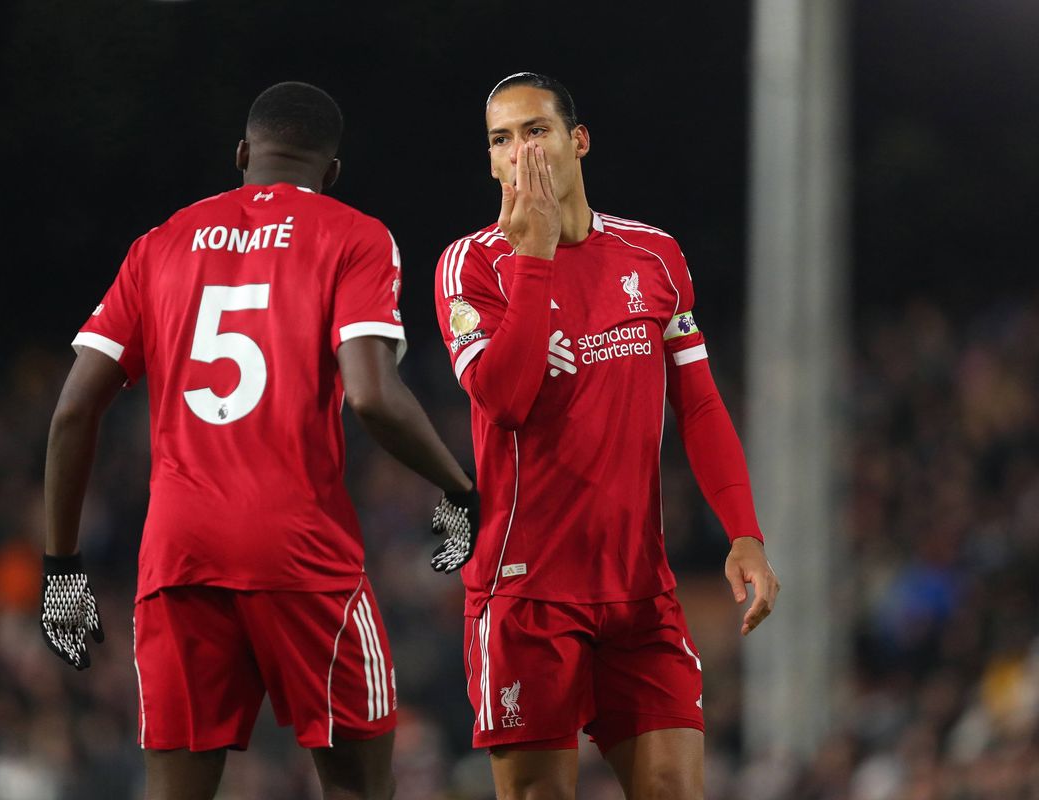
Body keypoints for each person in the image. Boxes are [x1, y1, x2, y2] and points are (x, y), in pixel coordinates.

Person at [40, 81, 478, 800]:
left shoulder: (160, 243)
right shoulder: (352, 234)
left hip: (179, 555)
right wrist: (461, 486)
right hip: (300, 549)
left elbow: (71, 413)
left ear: (243, 154)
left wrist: (62, 567)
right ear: (330, 173)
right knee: (361, 786)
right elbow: (371, 396)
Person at [431, 72, 781, 799]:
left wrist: (744, 532)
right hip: (527, 595)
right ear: (490, 163)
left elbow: (702, 405)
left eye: (535, 131)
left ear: (577, 141)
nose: (520, 152)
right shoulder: (471, 266)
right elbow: (502, 399)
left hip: (638, 594)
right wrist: (534, 257)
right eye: (502, 139)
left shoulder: (652, 256)